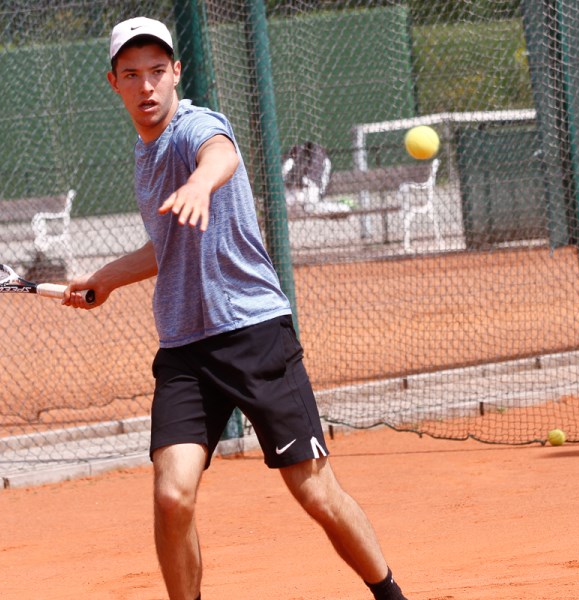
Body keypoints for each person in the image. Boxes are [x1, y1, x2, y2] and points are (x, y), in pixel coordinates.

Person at [63, 17, 408, 600]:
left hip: (252, 331)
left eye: (156, 71)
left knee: (315, 492)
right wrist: (107, 279)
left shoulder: (195, 127)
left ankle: (391, 595)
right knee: (171, 495)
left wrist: (201, 183)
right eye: (132, 74)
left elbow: (218, 154)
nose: (146, 86)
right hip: (184, 348)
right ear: (113, 83)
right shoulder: (144, 155)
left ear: (176, 73)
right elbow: (164, 245)